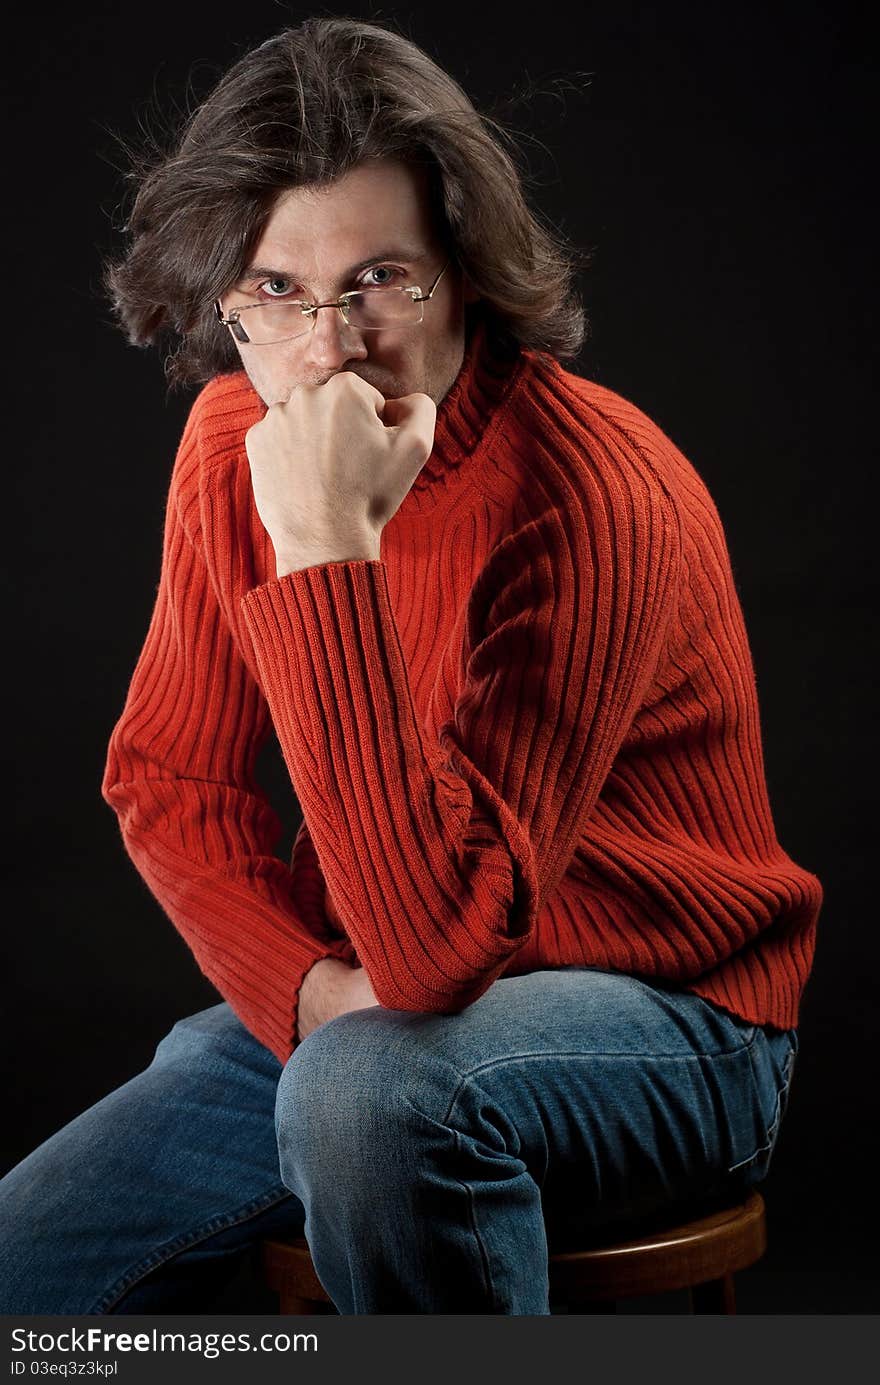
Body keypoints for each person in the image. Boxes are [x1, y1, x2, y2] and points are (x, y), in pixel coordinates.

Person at [0, 16, 822, 1315]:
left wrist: (328, 542)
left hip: (671, 1023)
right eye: (275, 288)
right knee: (24, 1248)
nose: (327, 349)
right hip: (364, 1000)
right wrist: (306, 988)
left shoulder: (594, 494)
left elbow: (443, 952)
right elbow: (168, 778)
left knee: (362, 1093)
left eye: (382, 278)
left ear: (469, 274)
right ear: (227, 290)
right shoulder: (235, 435)